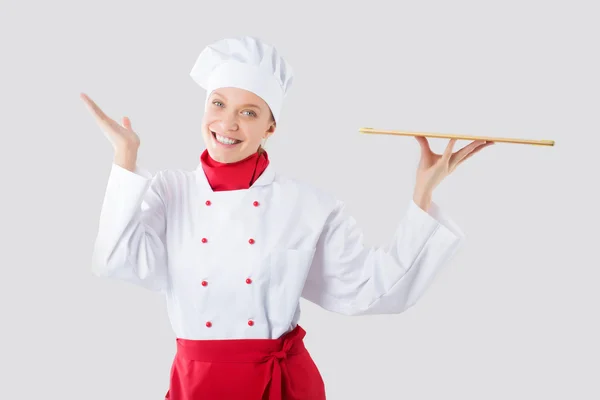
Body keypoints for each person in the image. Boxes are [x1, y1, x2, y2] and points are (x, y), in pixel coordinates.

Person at [83, 36, 494, 400]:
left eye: (249, 113)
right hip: (198, 382)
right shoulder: (169, 191)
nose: (227, 123)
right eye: (218, 104)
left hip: (278, 386)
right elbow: (115, 261)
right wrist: (125, 158)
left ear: (270, 127)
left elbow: (372, 290)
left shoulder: (308, 205)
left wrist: (423, 192)